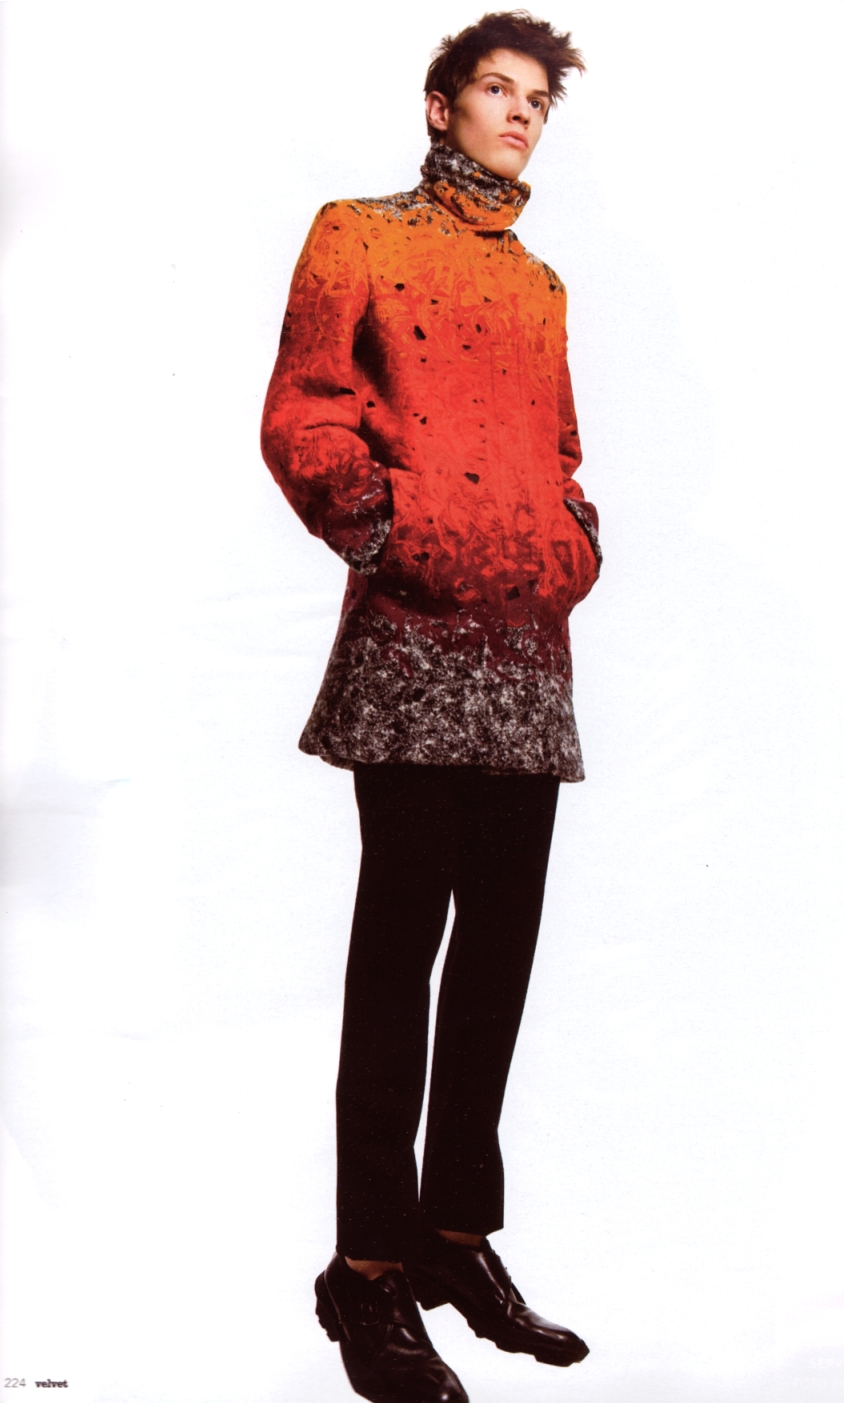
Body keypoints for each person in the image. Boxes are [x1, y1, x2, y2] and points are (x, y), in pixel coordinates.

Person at [261, 11, 601, 1400]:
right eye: (496, 90)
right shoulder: (356, 234)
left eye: (537, 100)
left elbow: (559, 454)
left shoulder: (540, 285)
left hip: (525, 650)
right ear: (439, 103)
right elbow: (302, 416)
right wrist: (393, 532)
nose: (518, 114)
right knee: (398, 958)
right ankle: (365, 1270)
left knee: (501, 954)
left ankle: (455, 1240)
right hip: (410, 643)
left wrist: (568, 544)